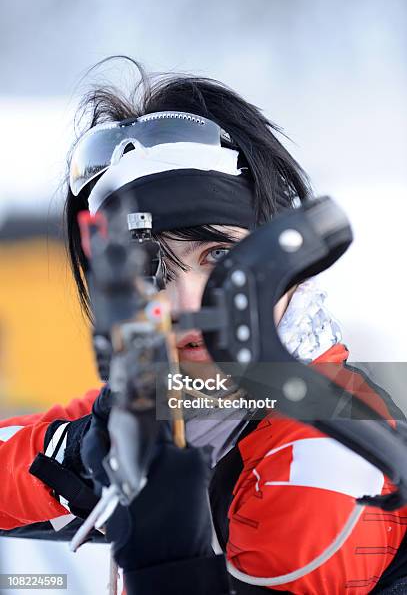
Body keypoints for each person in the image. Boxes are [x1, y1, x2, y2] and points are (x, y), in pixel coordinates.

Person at [1, 61, 406, 594]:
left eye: (218, 254)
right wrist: (72, 451)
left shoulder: (325, 450)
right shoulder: (179, 401)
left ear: (284, 261)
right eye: (147, 267)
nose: (184, 301)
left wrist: (165, 562)